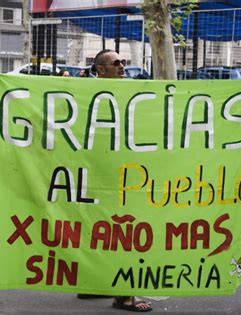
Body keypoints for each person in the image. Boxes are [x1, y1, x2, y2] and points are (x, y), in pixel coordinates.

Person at [77, 50, 153, 312]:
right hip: (101, 176)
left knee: (107, 230)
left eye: (123, 62)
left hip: (119, 174)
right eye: (116, 63)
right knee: (116, 232)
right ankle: (124, 295)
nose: (122, 66)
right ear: (100, 69)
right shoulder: (87, 95)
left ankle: (92, 283)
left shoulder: (129, 94)